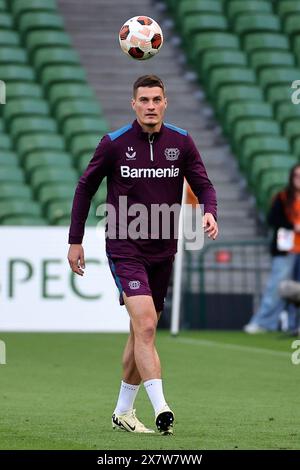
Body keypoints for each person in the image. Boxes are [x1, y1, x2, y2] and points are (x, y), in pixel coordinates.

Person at [67, 75, 218, 435]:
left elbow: (204, 184)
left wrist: (210, 210)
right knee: (147, 324)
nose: (150, 105)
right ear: (133, 104)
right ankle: (161, 407)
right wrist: (75, 240)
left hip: (163, 250)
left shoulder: (181, 142)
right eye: (144, 100)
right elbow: (85, 187)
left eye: (156, 99)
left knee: (141, 333)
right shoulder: (114, 144)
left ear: (165, 102)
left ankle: (123, 411)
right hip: (125, 246)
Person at [244, 164, 300, 334]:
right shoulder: (282, 197)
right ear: (291, 177)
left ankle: (293, 324)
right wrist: (293, 226)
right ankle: (264, 322)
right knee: (276, 287)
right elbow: (273, 219)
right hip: (286, 250)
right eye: (296, 175)